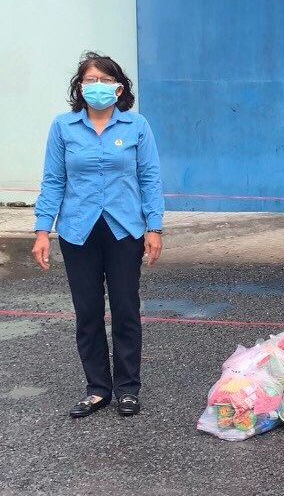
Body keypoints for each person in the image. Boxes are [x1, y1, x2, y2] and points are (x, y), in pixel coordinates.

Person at [32, 52, 164, 419]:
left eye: (105, 81)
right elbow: (54, 180)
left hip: (124, 230)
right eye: (90, 80)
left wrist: (154, 226)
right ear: (80, 87)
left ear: (119, 87)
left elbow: (150, 178)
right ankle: (97, 389)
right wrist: (43, 230)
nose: (98, 87)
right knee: (87, 312)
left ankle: (127, 389)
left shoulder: (136, 126)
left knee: (125, 309)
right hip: (78, 231)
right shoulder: (63, 127)